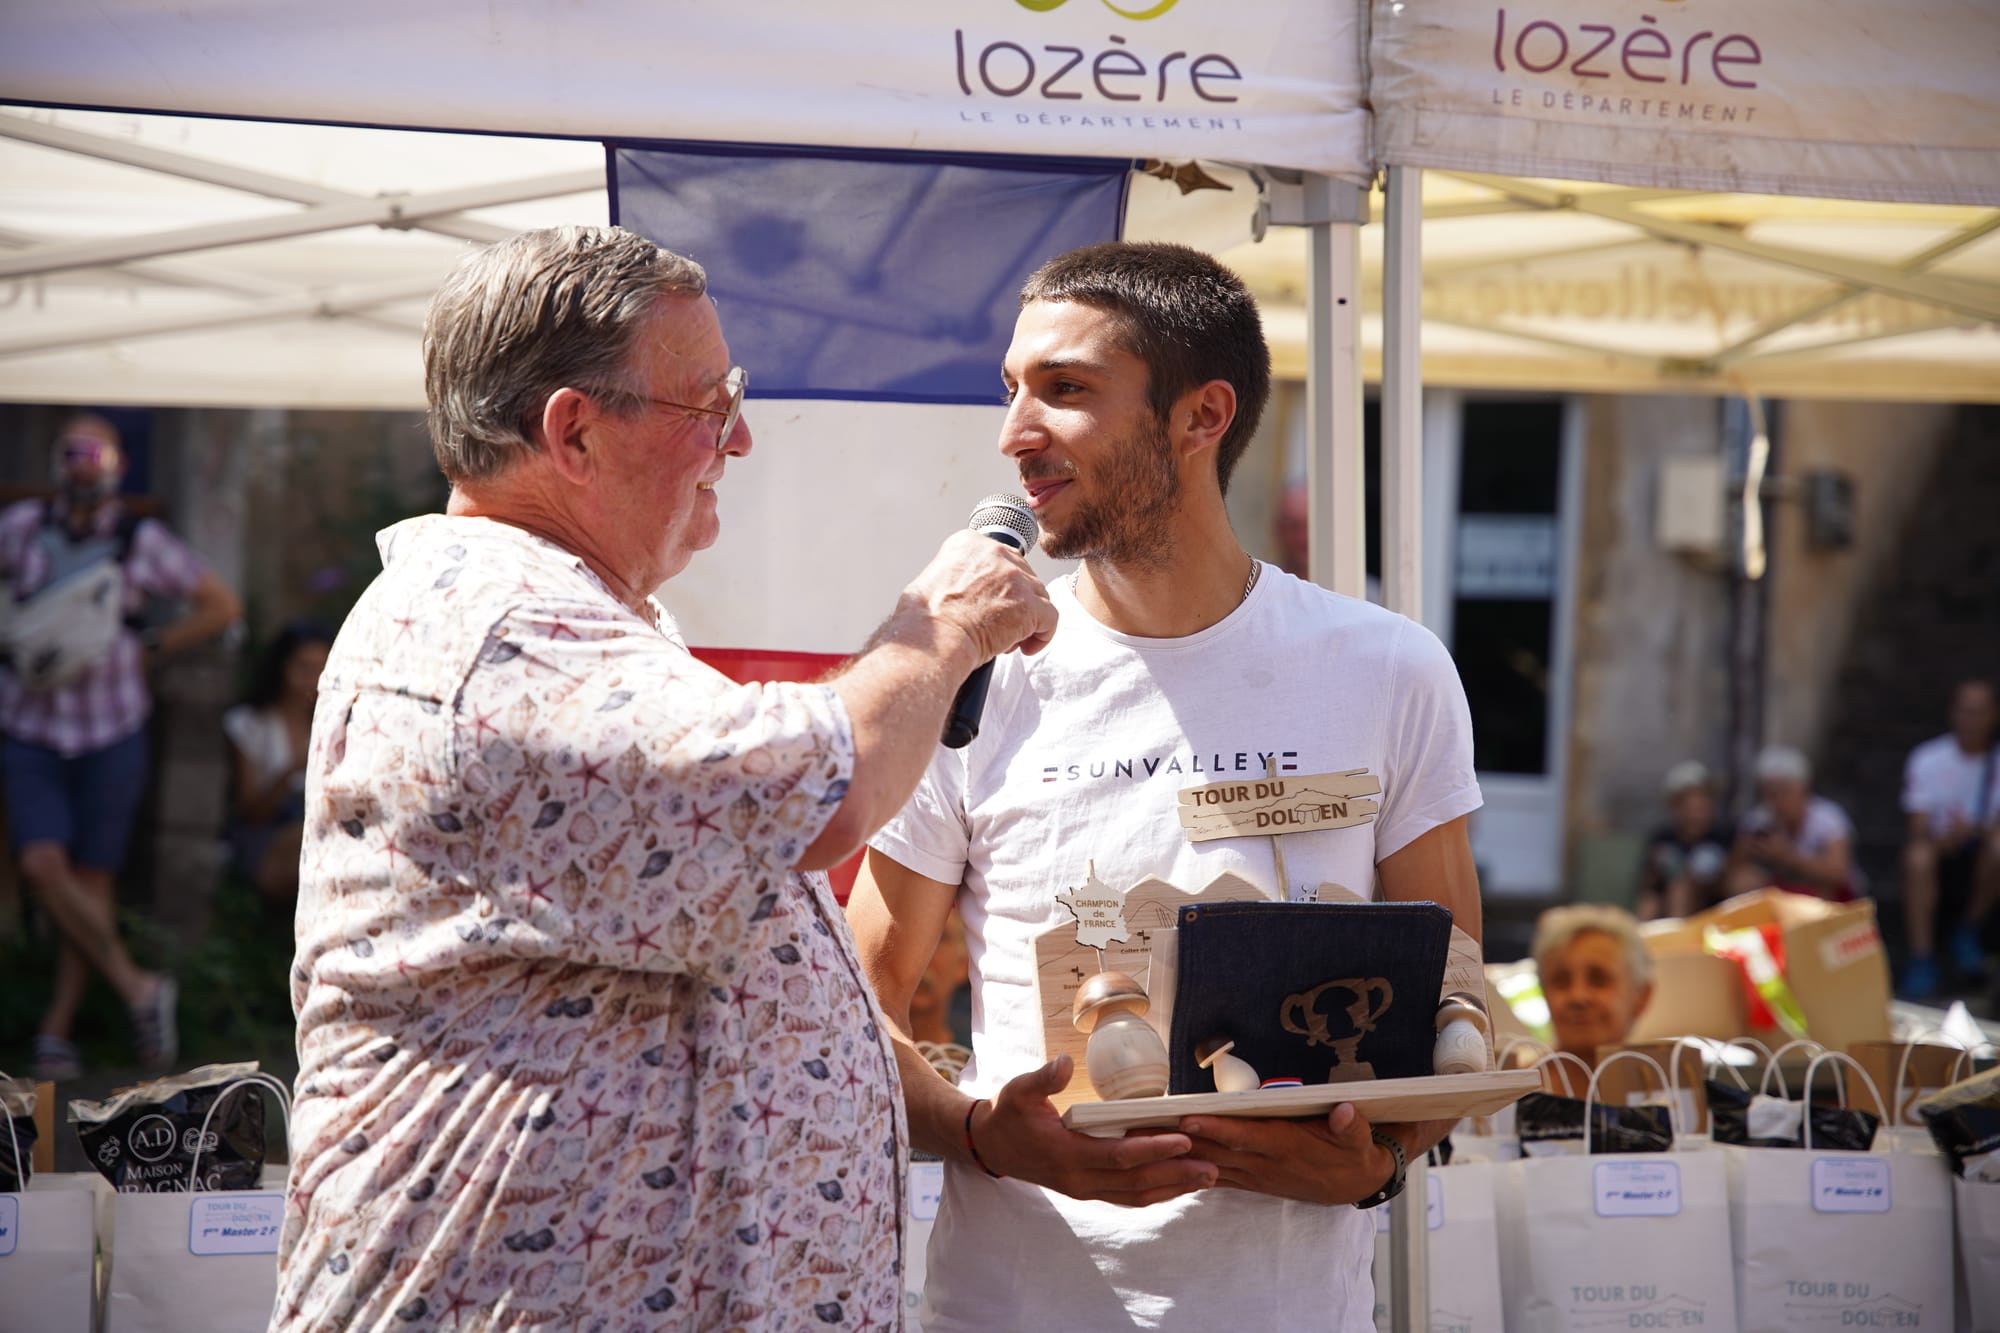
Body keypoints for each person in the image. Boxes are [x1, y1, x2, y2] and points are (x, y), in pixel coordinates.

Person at [273, 225, 1055, 1332]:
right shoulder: (497, 632)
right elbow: (826, 789)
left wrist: (960, 1123)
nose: (735, 439)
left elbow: (740, 963)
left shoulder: (561, 624)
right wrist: (943, 627)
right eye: (708, 404)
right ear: (574, 431)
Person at [847, 241, 1484, 1331]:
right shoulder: (976, 677)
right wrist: (973, 1129)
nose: (1014, 433)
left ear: (1201, 416)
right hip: (1011, 1304)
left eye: (1066, 390)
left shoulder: (1385, 667)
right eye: (1012, 392)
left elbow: (1444, 999)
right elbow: (852, 1001)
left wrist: (1372, 1166)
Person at [1, 412, 240, 1081]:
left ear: (118, 467)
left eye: (97, 455)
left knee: (90, 879)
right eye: (73, 452)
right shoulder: (20, 530)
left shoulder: (139, 539)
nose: (84, 464)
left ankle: (56, 1030)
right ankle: (139, 986)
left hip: (111, 726)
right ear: (56, 462)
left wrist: (151, 647)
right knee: (42, 864)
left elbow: (221, 605)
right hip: (31, 723)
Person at [1899, 678, 2000, 998]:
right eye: (1965, 711)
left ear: (1993, 715)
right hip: (1939, 848)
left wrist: (1973, 831)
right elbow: (1917, 823)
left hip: (1982, 851)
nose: (1971, 720)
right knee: (1917, 857)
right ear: (1953, 713)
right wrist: (1943, 838)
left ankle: (1968, 931)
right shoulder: (1927, 758)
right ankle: (1921, 956)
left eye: (1979, 712)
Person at [222, 619, 333, 900]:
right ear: (282, 667)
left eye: (322, 669)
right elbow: (252, 812)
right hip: (266, 838)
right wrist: (292, 771)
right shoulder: (250, 724)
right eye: (304, 668)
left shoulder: (336, 724)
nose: (313, 680)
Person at [1530, 904, 1654, 1094]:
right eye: (1561, 981)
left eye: (1599, 979)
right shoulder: (1511, 1100)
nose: (1578, 996)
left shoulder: (1671, 1098)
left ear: (1642, 996)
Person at [1729, 745, 1858, 902]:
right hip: (1776, 891)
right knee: (1743, 881)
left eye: (1784, 792)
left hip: (1822, 895)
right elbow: (1730, 875)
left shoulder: (1828, 818)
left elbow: (1838, 872)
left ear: (1803, 789)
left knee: (1824, 886)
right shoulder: (1758, 819)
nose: (1777, 801)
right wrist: (1745, 849)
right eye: (1770, 793)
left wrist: (1787, 857)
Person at [1636, 759, 1733, 920]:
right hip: (1669, 905)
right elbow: (1649, 885)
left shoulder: (1722, 836)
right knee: (1653, 902)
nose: (1697, 812)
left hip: (1713, 904)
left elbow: (1731, 879)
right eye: (1691, 806)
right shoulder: (1663, 839)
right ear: (1676, 808)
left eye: (1703, 804)